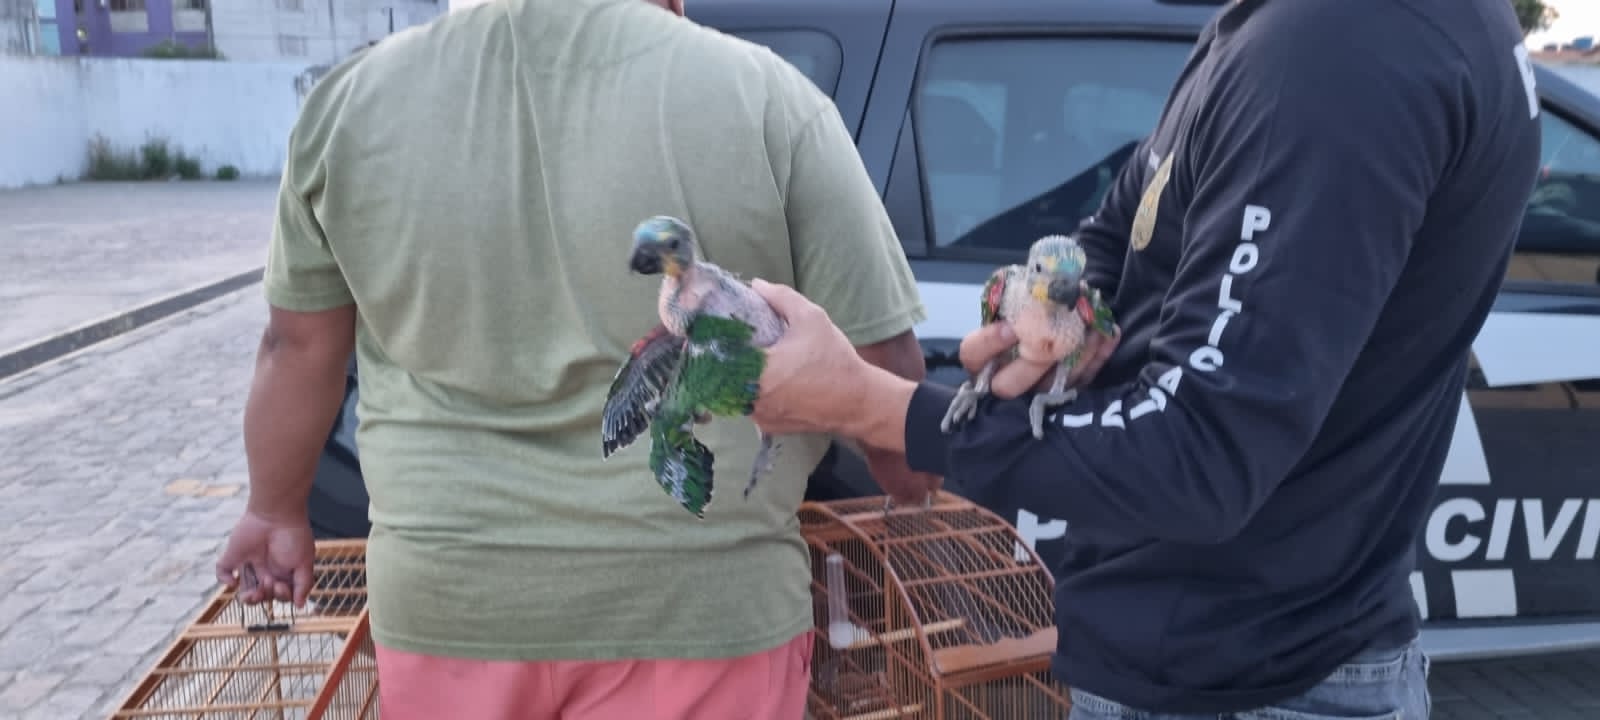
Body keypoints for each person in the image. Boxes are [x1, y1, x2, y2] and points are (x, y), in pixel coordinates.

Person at [746, 0, 1542, 717]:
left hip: (1239, 677)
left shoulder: (1334, 50)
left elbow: (1202, 454)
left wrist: (876, 408)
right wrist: (1054, 308)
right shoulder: (1301, 30)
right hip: (1251, 649)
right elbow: (1129, 224)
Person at [211, 0, 937, 717]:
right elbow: (887, 390)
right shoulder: (768, 98)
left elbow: (295, 345)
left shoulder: (350, 103)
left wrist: (274, 510)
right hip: (703, 608)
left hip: (450, 608)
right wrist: (917, 468)